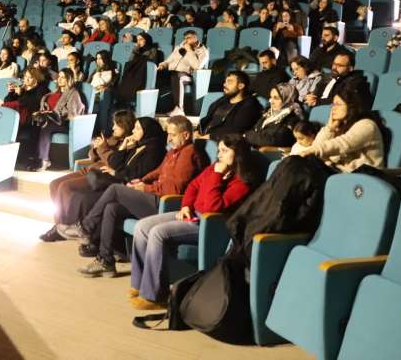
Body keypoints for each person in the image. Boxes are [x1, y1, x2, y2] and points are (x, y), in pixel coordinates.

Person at [128, 133, 258, 309]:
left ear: (238, 153)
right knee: (142, 226)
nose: (219, 154)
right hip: (193, 214)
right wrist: (186, 206)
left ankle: (154, 296)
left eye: (225, 151)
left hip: (210, 225)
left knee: (157, 233)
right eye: (219, 150)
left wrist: (217, 176)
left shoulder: (241, 183)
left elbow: (213, 207)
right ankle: (139, 284)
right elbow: (193, 186)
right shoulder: (214, 169)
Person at [76, 116, 204, 277]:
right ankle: (106, 260)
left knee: (115, 189)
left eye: (173, 135)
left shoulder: (188, 154)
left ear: (186, 135)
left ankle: (87, 226)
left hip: (165, 204)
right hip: (155, 196)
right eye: (168, 134)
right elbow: (159, 171)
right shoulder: (174, 151)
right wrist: (142, 180)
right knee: (112, 208)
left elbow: (175, 188)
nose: (169, 139)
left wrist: (146, 188)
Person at [42, 114, 166, 242]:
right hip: (93, 170)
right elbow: (94, 157)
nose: (113, 128)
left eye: (117, 125)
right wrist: (96, 148)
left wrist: (107, 150)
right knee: (54, 184)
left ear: (125, 126)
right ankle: (60, 225)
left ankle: (64, 227)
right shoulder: (125, 142)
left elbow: (114, 164)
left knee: (67, 188)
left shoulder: (144, 148)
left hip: (103, 174)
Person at [290, 87, 385, 171]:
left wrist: (311, 151)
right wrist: (330, 128)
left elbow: (342, 144)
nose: (333, 109)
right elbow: (317, 146)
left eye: (338, 104)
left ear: (351, 106)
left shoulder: (367, 125)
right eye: (333, 105)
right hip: (342, 174)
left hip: (363, 178)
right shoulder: (341, 127)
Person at [25, 68, 86, 172]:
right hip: (49, 119)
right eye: (59, 77)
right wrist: (43, 112)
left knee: (46, 127)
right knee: (35, 124)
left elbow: (73, 113)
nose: (59, 79)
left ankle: (44, 161)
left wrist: (55, 114)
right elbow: (46, 106)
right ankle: (34, 158)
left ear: (69, 79)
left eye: (63, 77)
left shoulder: (73, 93)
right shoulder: (53, 93)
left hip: (63, 123)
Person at [197, 71, 262, 140]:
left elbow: (236, 130)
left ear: (240, 86)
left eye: (229, 82)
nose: (225, 84)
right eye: (225, 82)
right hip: (203, 136)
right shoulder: (223, 100)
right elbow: (207, 119)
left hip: (220, 141)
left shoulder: (250, 106)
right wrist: (197, 131)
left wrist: (211, 136)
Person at [157, 30, 208, 115]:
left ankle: (180, 109)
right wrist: (163, 65)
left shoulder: (203, 51)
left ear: (195, 38)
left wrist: (189, 51)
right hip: (173, 72)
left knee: (178, 76)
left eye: (188, 38)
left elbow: (197, 66)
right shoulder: (180, 47)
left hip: (189, 75)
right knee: (158, 75)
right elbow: (169, 59)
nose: (186, 40)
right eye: (185, 38)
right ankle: (157, 107)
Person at [244, 83, 304, 148]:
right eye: (271, 97)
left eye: (276, 98)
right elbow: (254, 129)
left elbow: (274, 140)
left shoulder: (292, 119)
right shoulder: (269, 112)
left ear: (287, 99)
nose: (271, 101)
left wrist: (247, 135)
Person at [114, 33, 160, 108]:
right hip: (134, 72)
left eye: (141, 39)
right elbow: (130, 61)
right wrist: (135, 50)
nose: (138, 42)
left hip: (143, 72)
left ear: (147, 40)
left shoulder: (152, 50)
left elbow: (151, 62)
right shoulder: (137, 50)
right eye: (137, 40)